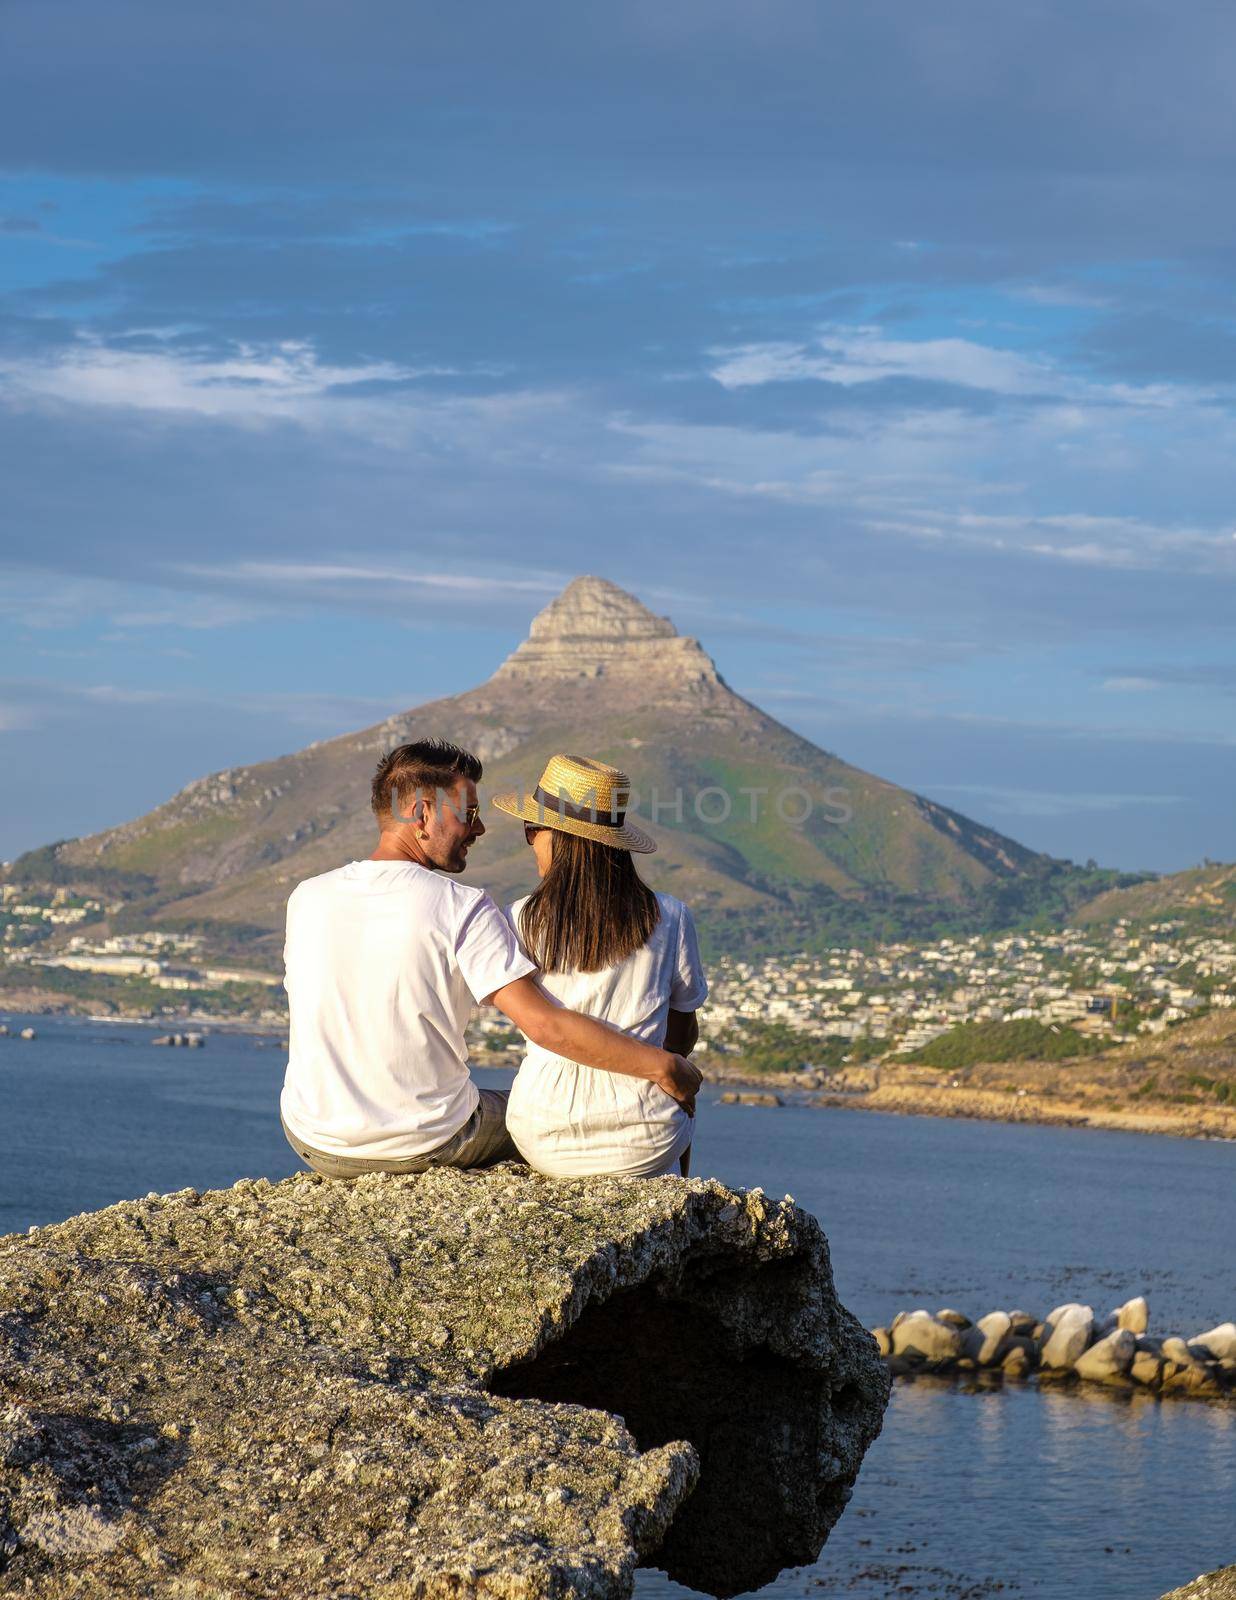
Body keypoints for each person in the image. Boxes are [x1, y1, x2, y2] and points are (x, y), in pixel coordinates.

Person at [279, 739, 700, 1179]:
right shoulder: (461, 906)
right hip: (424, 1142)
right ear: (422, 814)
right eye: (469, 814)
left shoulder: (307, 896)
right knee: (545, 1123)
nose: (479, 830)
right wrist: (664, 1065)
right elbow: (545, 1025)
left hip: (311, 1138)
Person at [491, 753, 707, 1179]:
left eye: (532, 829)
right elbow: (681, 1033)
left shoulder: (518, 918)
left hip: (541, 1131)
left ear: (554, 835)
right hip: (646, 1138)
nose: (529, 839)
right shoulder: (670, 915)